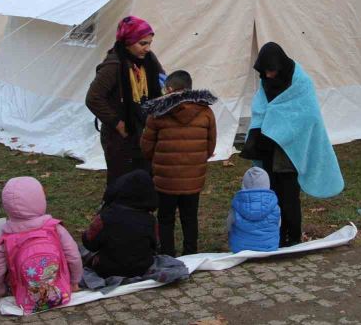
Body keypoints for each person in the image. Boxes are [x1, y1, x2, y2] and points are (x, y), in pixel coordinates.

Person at [241, 42, 344, 247]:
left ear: (280, 66)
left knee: (289, 198)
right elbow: (262, 109)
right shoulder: (266, 82)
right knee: (271, 196)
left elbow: (309, 116)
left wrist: (281, 129)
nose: (268, 76)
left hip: (290, 153)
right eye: (264, 72)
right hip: (268, 150)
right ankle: (277, 236)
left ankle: (294, 237)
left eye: (271, 71)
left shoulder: (300, 83)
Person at [140, 70, 217, 257]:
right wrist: (196, 160)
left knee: (166, 218)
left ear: (170, 89)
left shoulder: (157, 113)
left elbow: (146, 147)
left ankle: (167, 253)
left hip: (166, 180)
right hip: (193, 177)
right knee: (190, 217)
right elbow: (210, 144)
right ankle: (191, 252)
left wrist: (160, 161)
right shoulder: (206, 112)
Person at [86, 16, 164, 188]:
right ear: (128, 41)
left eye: (149, 43)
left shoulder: (149, 60)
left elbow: (162, 81)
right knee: (121, 180)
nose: (147, 48)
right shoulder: (113, 65)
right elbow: (94, 98)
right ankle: (113, 212)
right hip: (120, 136)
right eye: (142, 43)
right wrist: (117, 123)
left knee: (145, 177)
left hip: (144, 129)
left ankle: (140, 212)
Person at [0, 177, 82, 313]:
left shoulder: (7, 238)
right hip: (62, 289)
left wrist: (0, 291)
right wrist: (74, 281)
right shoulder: (54, 228)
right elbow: (73, 255)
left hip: (23, 295)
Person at [81, 170, 158, 278]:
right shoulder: (150, 220)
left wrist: (86, 233)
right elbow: (155, 245)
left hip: (107, 269)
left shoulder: (106, 217)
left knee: (81, 252)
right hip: (142, 268)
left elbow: (90, 244)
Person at [227, 167, 281, 253]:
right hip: (269, 247)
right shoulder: (274, 204)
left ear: (244, 183)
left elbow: (229, 225)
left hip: (240, 249)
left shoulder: (237, 204)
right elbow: (278, 225)